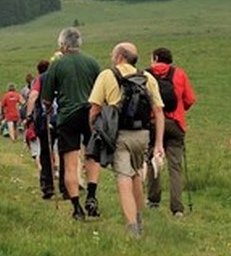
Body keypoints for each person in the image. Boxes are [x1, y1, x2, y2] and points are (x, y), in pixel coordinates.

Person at [87, 42, 165, 238]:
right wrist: (158, 144)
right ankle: (139, 218)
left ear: (120, 56)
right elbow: (158, 112)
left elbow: (94, 109)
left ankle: (132, 227)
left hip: (119, 135)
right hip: (143, 134)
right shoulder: (147, 78)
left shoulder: (107, 75)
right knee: (136, 174)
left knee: (123, 178)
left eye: (114, 53)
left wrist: (96, 131)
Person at [48, 27, 103, 219]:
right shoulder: (92, 63)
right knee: (92, 156)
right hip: (90, 115)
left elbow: (47, 98)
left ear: (63, 45)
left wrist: (47, 110)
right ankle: (92, 196)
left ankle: (76, 208)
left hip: (68, 117)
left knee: (70, 163)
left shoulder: (57, 65)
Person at [144, 46, 197, 216]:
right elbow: (190, 99)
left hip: (152, 122)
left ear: (156, 58)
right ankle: (177, 208)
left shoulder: (145, 74)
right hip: (175, 123)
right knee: (175, 167)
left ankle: (153, 199)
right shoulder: (179, 74)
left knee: (152, 160)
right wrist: (180, 109)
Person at [27, 59, 58, 198]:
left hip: (44, 119)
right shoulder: (58, 77)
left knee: (45, 152)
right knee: (63, 152)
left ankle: (48, 186)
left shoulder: (40, 79)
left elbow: (33, 96)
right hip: (61, 118)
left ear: (38, 70)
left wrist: (29, 115)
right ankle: (66, 186)